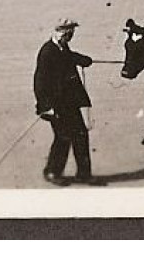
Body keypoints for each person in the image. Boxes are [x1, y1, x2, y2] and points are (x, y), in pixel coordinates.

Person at [33, 18, 99, 185]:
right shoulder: (47, 52)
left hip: (69, 102)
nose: (70, 37)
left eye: (71, 33)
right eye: (68, 33)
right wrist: (45, 107)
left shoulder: (62, 47)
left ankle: (84, 174)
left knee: (81, 135)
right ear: (59, 33)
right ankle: (52, 172)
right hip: (55, 106)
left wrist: (83, 59)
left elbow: (68, 57)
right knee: (63, 137)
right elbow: (39, 82)